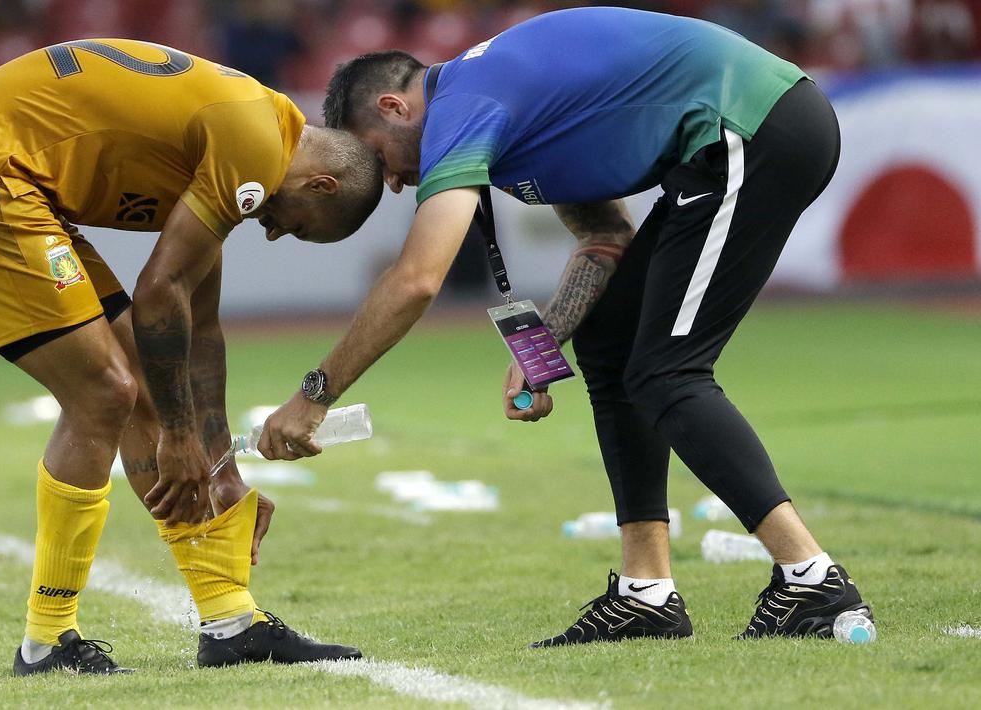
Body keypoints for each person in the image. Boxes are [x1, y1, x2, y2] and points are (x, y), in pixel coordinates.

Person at [259, 7, 873, 644]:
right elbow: (606, 236)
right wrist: (545, 341)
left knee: (668, 373)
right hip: (733, 141)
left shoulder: (466, 104)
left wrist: (315, 395)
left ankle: (812, 581)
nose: (389, 182)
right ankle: (647, 594)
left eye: (381, 158)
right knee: (610, 345)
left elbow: (417, 278)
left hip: (754, 126)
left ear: (395, 107)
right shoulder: (507, 104)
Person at [0, 38, 381, 674]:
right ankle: (46, 642)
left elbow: (199, 326)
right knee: (105, 391)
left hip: (12, 184)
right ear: (321, 182)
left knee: (142, 387)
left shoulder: (256, 131)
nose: (275, 231)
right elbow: (158, 294)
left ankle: (231, 623)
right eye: (298, 226)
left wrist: (219, 461)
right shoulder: (254, 146)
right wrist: (181, 436)